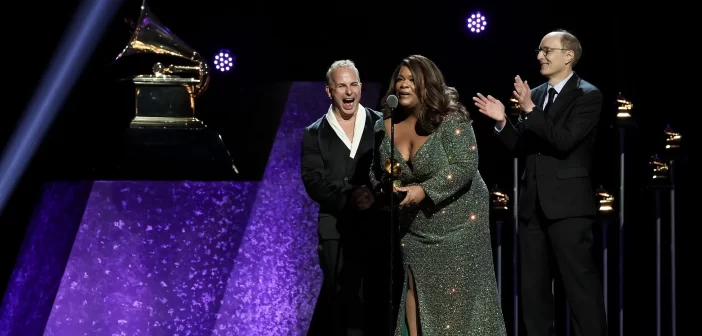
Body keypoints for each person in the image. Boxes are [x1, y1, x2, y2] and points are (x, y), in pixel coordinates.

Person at [473, 30, 607, 336]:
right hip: (533, 208)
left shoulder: (588, 95)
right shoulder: (536, 93)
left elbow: (564, 141)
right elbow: (522, 146)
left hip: (569, 208)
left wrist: (530, 110)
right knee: (533, 293)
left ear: (568, 55)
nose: (540, 57)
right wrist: (502, 121)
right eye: (539, 50)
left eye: (547, 51)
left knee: (580, 290)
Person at [369, 55, 506, 336]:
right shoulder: (385, 127)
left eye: (412, 80)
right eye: (400, 79)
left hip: (460, 226)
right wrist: (385, 189)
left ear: (427, 85)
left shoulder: (449, 119)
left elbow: (465, 166)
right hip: (415, 228)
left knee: (456, 303)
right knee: (415, 289)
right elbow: (376, 171)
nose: (404, 85)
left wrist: (423, 190)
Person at [301, 60, 383, 336]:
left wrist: (374, 194)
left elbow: (394, 169)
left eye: (353, 85)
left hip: (378, 227)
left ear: (360, 87)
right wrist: (349, 197)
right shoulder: (314, 133)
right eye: (341, 86)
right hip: (335, 230)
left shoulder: (382, 124)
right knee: (341, 306)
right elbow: (313, 181)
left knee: (376, 302)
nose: (348, 92)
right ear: (329, 91)